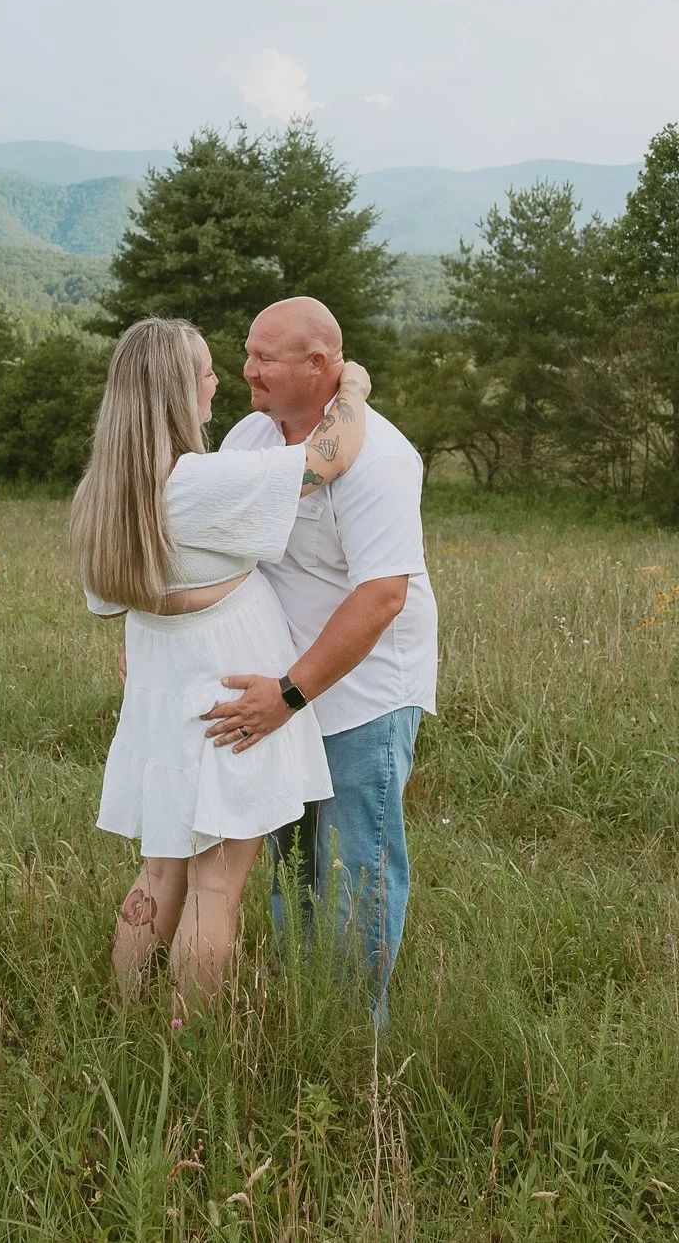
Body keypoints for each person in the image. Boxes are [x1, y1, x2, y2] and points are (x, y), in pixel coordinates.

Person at [71, 315, 374, 1017]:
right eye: (206, 371)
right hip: (227, 700)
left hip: (162, 695)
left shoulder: (104, 492)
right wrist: (351, 386)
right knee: (216, 887)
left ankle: (124, 1021)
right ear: (179, 392)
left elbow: (115, 606)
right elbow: (327, 455)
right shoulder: (198, 480)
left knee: (158, 871)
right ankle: (191, 1043)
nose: (218, 382)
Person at [201, 297, 438, 1021]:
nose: (247, 370)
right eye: (246, 353)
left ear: (320, 364)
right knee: (293, 869)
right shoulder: (251, 435)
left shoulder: (384, 459)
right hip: (278, 696)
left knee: (356, 872)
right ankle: (305, 1013)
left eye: (263, 357)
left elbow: (381, 598)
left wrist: (290, 694)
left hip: (359, 697)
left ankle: (353, 1040)